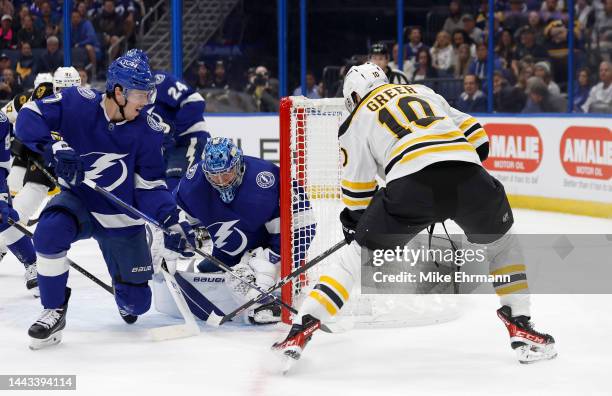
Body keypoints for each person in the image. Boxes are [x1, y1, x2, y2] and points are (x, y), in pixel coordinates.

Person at [272, 62, 556, 369]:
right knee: (503, 244)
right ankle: (522, 326)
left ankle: (300, 331)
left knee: (353, 259)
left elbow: (357, 194)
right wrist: (451, 172)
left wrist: (357, 227)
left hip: (412, 187)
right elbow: (480, 139)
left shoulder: (356, 119)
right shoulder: (423, 91)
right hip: (470, 178)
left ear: (353, 95)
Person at [15, 51, 195, 349]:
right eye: (140, 94)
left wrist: (169, 221)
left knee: (137, 305)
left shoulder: (149, 131)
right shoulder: (77, 102)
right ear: (118, 91)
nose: (146, 102)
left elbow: (150, 187)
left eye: (149, 94)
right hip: (80, 201)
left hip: (121, 218)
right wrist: (54, 146)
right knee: (48, 232)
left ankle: (125, 282)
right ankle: (54, 309)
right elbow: (29, 116)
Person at [152, 137, 315, 324]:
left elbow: (304, 225)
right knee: (205, 272)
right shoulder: (194, 182)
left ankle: (270, 303)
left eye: (226, 174)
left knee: (244, 281)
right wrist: (174, 235)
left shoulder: (266, 179)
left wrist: (269, 262)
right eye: (214, 176)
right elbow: (174, 214)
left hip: (266, 251)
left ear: (238, 166)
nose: (221, 182)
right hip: (226, 253)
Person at [146, 61, 210, 192]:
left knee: (175, 185)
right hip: (165, 148)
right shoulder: (129, 96)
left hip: (189, 140)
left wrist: (174, 130)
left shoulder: (160, 81)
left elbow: (196, 102)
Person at [0, 107, 39, 297]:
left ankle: (33, 263)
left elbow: (1, 166)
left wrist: (1, 198)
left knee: (4, 218)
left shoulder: (0, 122)